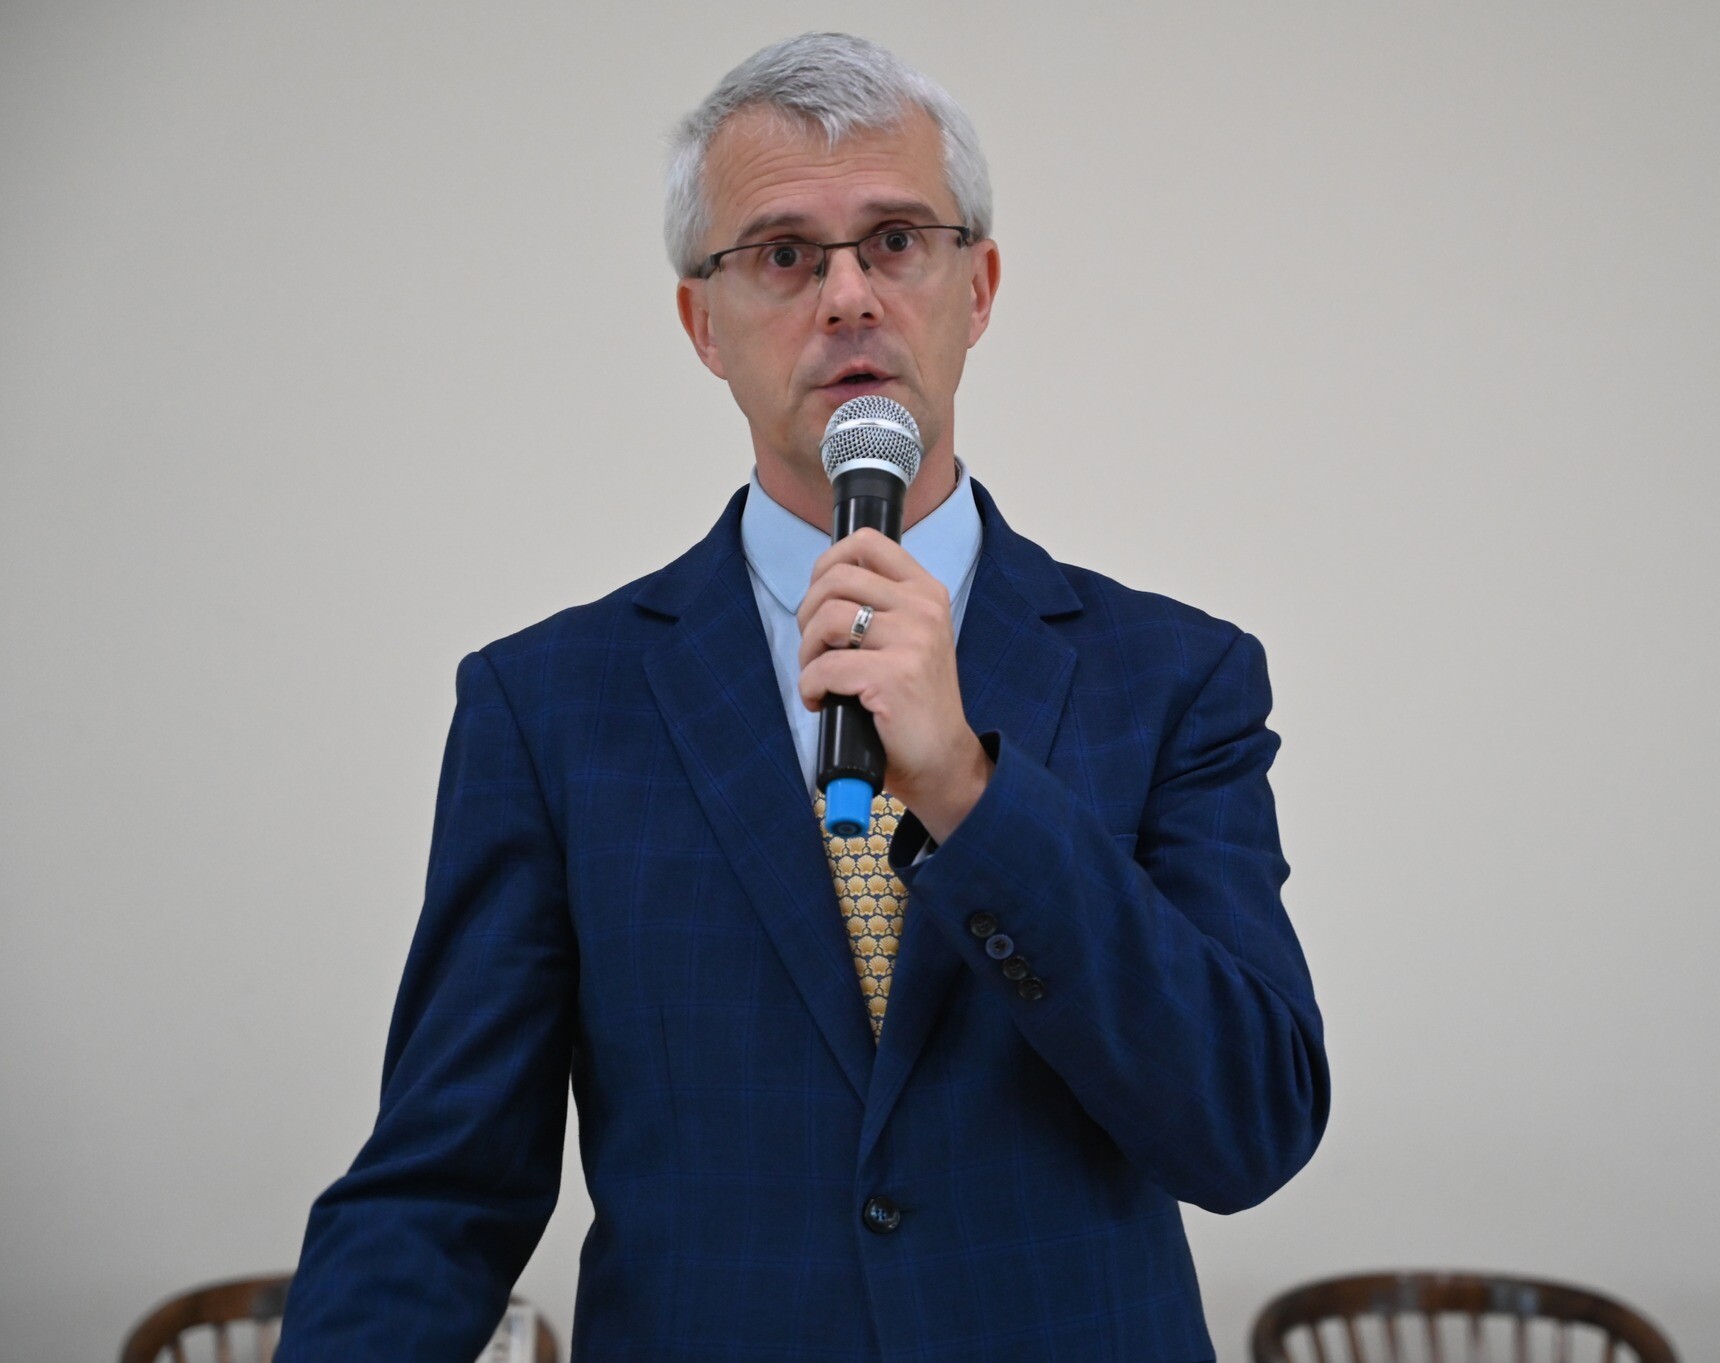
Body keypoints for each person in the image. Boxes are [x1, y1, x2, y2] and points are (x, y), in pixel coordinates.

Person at [276, 32, 1329, 1363]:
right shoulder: (546, 709)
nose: (847, 296)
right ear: (701, 325)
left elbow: (1246, 1127)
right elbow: (442, 1190)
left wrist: (971, 793)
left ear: (977, 288)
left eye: (895, 241)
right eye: (782, 254)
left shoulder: (1175, 677)